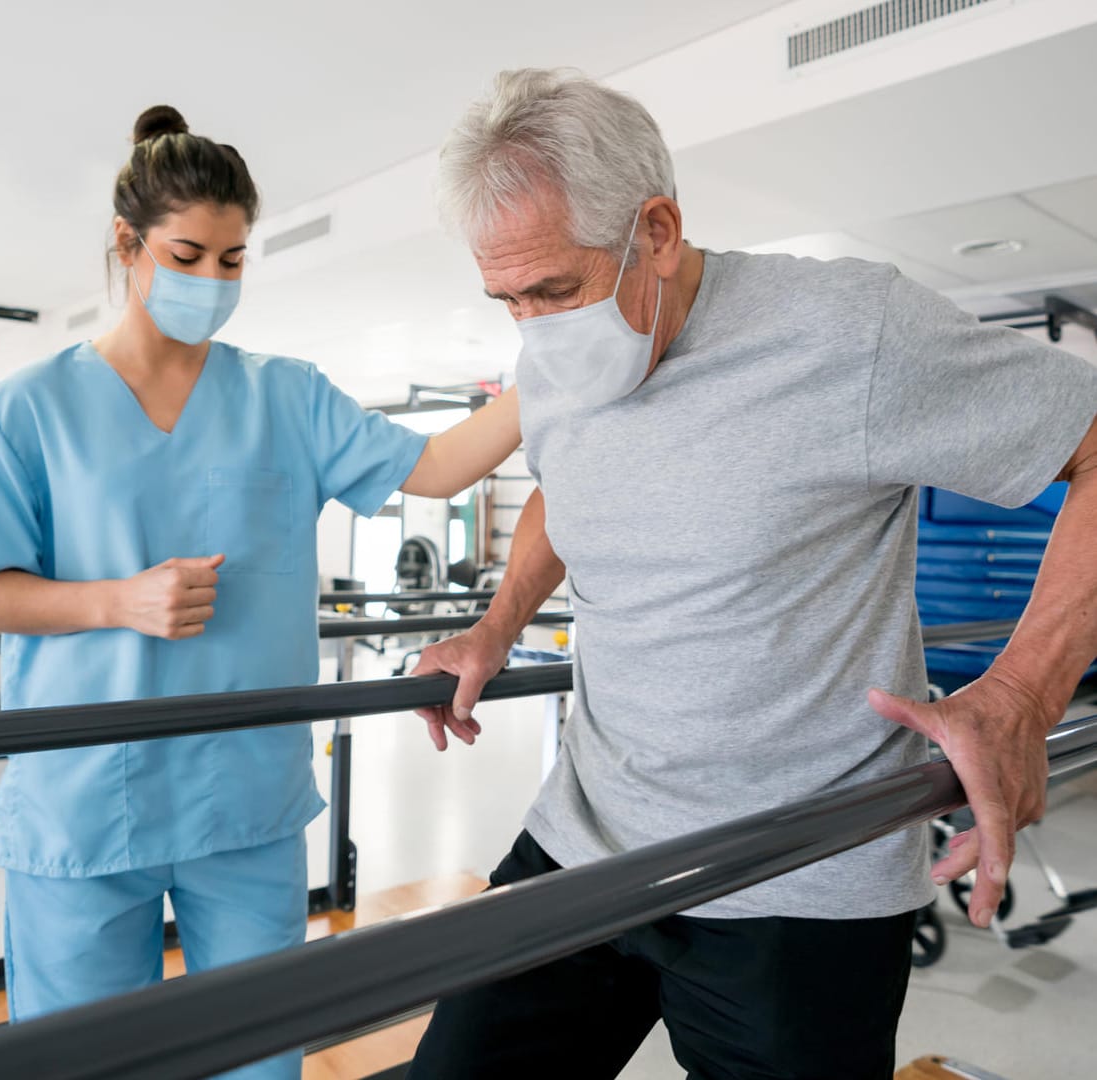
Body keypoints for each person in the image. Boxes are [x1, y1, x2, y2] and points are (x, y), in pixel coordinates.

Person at [405, 69, 1097, 1079]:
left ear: (658, 229)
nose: (536, 328)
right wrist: (498, 624)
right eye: (506, 299)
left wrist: (1026, 693)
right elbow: (567, 486)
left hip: (798, 877)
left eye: (555, 289)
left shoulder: (847, 332)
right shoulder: (554, 361)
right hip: (588, 837)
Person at [0, 105, 522, 1080]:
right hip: (83, 799)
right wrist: (114, 602)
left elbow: (438, 464)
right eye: (189, 254)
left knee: (259, 1060)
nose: (214, 281)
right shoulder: (28, 407)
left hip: (241, 798)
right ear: (127, 246)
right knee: (76, 1064)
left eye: (234, 260)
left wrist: (553, 359)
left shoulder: (283, 397)